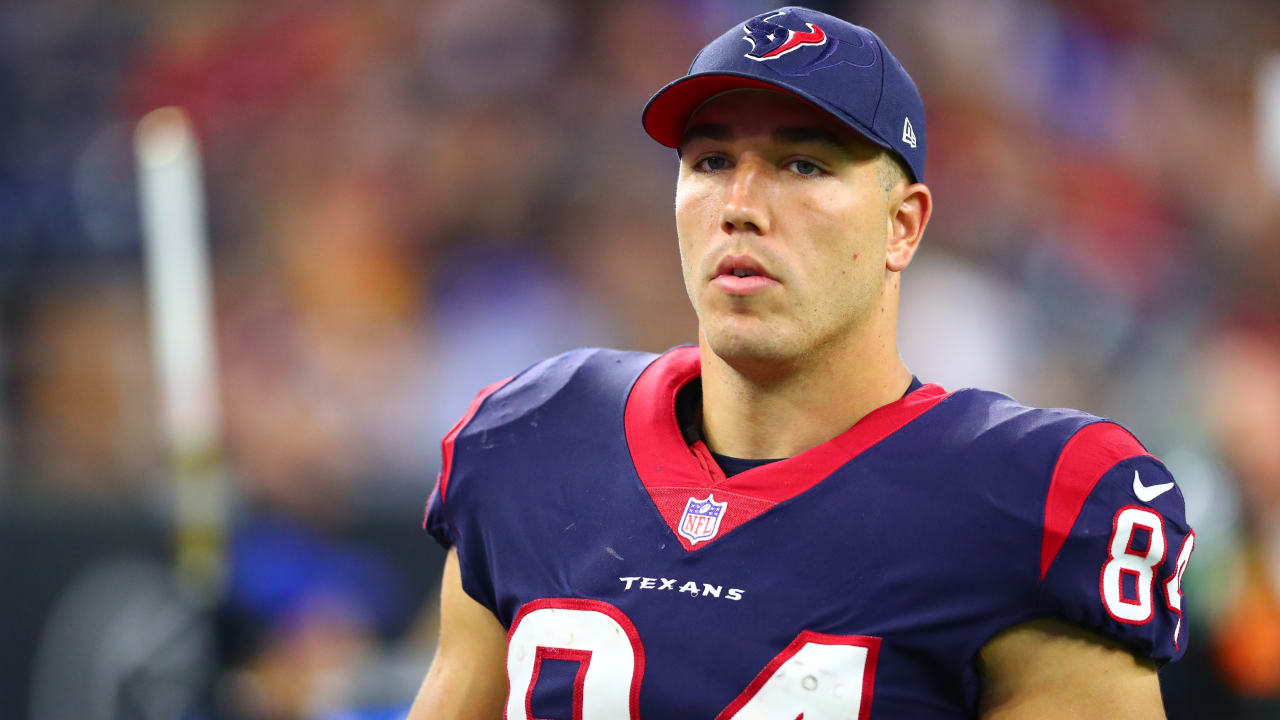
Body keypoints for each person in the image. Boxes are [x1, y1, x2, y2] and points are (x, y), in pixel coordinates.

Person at [408, 7, 1193, 718]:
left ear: (902, 226)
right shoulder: (533, 437)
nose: (740, 205)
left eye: (803, 165)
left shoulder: (1032, 500)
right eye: (711, 161)